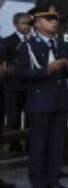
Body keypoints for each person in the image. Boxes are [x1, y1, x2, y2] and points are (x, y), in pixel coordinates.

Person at [16, 5, 68, 188]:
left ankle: (54, 181)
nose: (55, 21)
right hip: (40, 101)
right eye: (49, 19)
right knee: (39, 144)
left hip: (59, 100)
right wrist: (46, 70)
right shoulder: (27, 45)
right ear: (38, 23)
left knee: (57, 143)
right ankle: (39, 185)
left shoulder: (61, 44)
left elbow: (66, 72)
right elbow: (21, 74)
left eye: (55, 18)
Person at [2, 12, 33, 150]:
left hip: (31, 86)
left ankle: (30, 146)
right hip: (13, 86)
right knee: (13, 119)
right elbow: (4, 64)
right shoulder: (7, 41)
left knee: (30, 118)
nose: (28, 26)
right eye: (24, 23)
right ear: (16, 25)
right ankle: (14, 146)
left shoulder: (34, 40)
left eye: (30, 23)